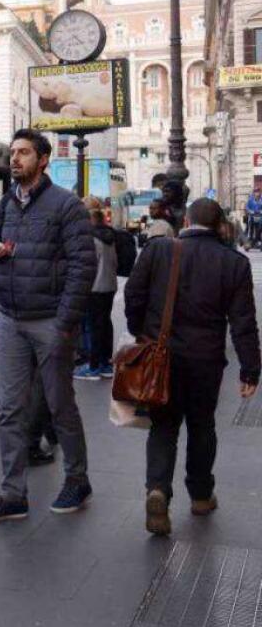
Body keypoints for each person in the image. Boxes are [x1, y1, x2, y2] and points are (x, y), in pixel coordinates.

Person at [0, 128, 95, 524]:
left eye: (23, 153)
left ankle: (77, 479)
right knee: (11, 410)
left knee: (60, 406)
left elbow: (83, 267)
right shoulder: (7, 204)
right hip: (10, 319)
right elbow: (6, 251)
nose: (15, 159)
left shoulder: (67, 206)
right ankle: (13, 494)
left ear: (42, 160)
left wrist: (64, 323)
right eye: (12, 153)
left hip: (49, 322)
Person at [125, 199, 261, 536]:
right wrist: (250, 369)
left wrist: (141, 331)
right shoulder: (234, 263)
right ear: (219, 226)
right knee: (202, 426)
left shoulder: (158, 251)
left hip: (162, 356)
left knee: (163, 426)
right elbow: (243, 322)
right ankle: (200, 495)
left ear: (186, 220)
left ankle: (157, 489)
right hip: (206, 360)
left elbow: (133, 294)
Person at [75, 207, 117, 381]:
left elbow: (86, 267)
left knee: (93, 328)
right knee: (105, 325)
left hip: (94, 288)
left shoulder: (91, 240)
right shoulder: (110, 237)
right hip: (109, 285)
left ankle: (93, 367)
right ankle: (105, 364)